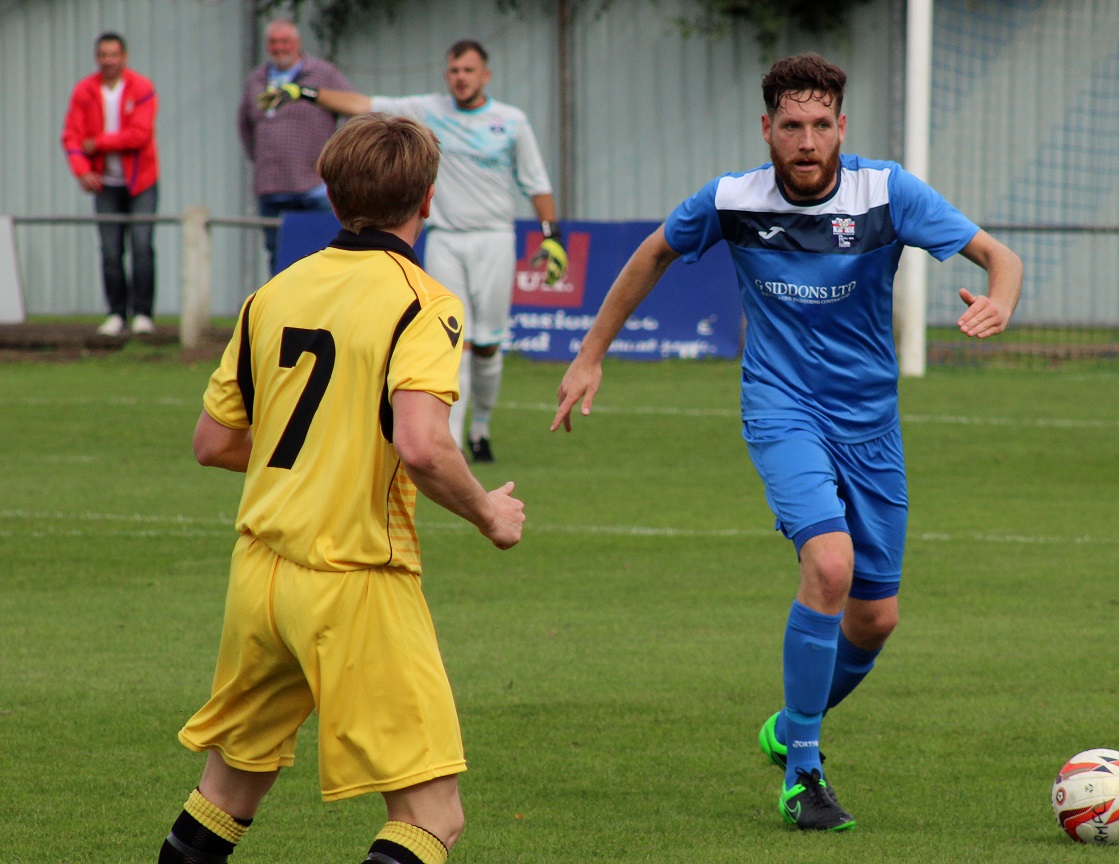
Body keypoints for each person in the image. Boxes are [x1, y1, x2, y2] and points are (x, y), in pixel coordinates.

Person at [552, 54, 1022, 832]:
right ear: (766, 128)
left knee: (875, 621)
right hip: (782, 408)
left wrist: (1000, 301)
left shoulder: (887, 193)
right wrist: (591, 353)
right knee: (829, 565)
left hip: (869, 423)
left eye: (821, 125)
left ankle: (788, 726)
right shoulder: (732, 200)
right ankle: (804, 772)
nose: (808, 142)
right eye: (793, 126)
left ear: (843, 127)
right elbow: (654, 252)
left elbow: (999, 257)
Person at [157, 114, 526, 864]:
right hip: (354, 577)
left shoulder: (273, 294)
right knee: (432, 816)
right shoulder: (423, 302)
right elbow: (421, 445)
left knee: (227, 790)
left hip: (260, 579)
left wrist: (321, 454)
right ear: (428, 197)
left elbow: (214, 442)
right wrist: (489, 512)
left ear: (331, 196)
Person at [257, 39, 567, 463]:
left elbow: (536, 182)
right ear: (446, 74)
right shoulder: (428, 110)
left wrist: (551, 236)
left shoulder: (510, 122)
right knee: (456, 341)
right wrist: (304, 92)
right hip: (445, 238)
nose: (460, 78)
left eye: (468, 70)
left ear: (485, 76)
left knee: (488, 344)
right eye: (454, 70)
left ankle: (481, 428)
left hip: (494, 239)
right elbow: (362, 104)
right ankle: (453, 441)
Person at [61, 31, 159, 337]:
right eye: (103, 55)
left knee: (142, 246)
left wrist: (98, 143)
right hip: (105, 184)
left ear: (124, 57)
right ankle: (116, 314)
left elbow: (139, 135)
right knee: (110, 251)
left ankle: (142, 314)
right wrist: (82, 171)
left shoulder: (142, 88)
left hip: (141, 182)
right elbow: (72, 137)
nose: (109, 61)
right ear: (97, 58)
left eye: (114, 55)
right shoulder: (84, 91)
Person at [238, 18, 353, 274]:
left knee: (324, 253)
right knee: (278, 255)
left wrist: (336, 158)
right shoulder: (256, 79)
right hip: (272, 187)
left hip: (316, 187)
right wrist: (262, 159)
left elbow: (353, 106)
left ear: (298, 43)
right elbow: (244, 126)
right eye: (273, 42)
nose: (279, 47)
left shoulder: (323, 74)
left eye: (285, 41)